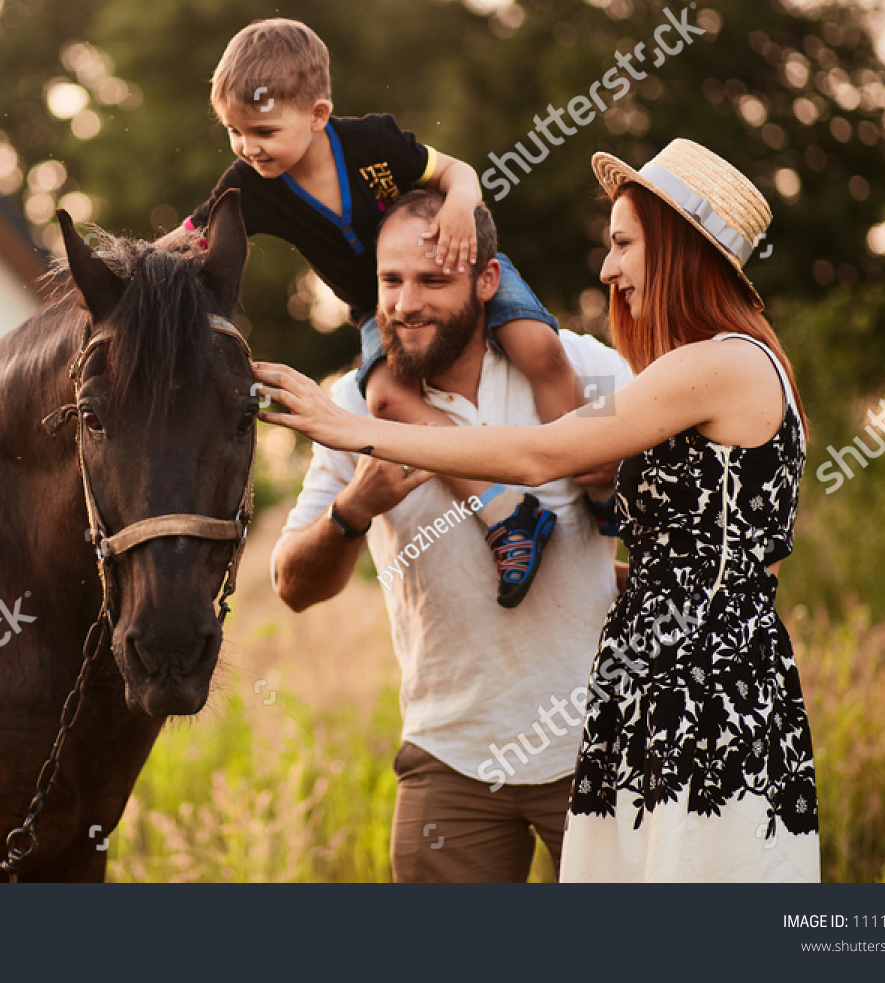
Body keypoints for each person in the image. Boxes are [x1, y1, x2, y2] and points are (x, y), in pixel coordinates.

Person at [254, 139, 820, 882]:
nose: (608, 267)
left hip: (691, 700)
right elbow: (726, 557)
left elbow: (539, 457)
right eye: (390, 279)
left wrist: (352, 426)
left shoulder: (706, 365)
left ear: (678, 248)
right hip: (661, 694)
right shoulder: (724, 363)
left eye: (622, 244)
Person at [178, 17, 614, 606]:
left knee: (537, 345)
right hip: (374, 310)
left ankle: (598, 481)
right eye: (233, 131)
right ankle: (507, 513)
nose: (247, 146)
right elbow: (191, 238)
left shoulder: (373, 145)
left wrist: (462, 201)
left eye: (261, 129)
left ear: (317, 114)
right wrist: (127, 271)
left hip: (457, 260)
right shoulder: (251, 185)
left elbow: (455, 171)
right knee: (385, 402)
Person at [271, 188, 632, 882]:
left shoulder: (583, 369)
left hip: (603, 744)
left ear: (488, 281)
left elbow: (680, 519)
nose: (406, 303)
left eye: (433, 280)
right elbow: (291, 585)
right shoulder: (349, 406)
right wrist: (355, 506)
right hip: (450, 760)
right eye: (391, 280)